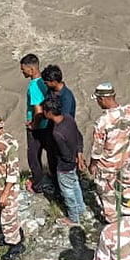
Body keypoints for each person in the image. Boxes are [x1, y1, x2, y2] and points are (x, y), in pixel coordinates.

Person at [87, 82, 130, 223]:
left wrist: (92, 165)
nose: (97, 102)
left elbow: (97, 149)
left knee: (107, 193)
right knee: (128, 187)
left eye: (97, 99)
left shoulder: (102, 122)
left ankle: (113, 222)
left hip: (107, 164)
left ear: (102, 99)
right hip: (125, 159)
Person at [0, 112, 26, 260]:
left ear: (2, 126)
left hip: (8, 188)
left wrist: (5, 193)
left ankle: (16, 245)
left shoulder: (10, 145)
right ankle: (11, 235)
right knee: (4, 214)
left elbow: (13, 173)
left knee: (8, 217)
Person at [43, 96, 86, 226]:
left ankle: (73, 218)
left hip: (64, 167)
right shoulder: (69, 118)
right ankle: (81, 208)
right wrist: (79, 156)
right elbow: (79, 136)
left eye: (45, 110)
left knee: (67, 192)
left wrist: (69, 160)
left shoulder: (57, 133)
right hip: (74, 163)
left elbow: (65, 154)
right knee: (75, 185)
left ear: (49, 113)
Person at [20, 53, 58, 194]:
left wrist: (33, 126)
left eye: (23, 69)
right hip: (48, 125)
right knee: (51, 153)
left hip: (38, 127)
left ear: (31, 69)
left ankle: (38, 184)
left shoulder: (34, 86)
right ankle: (55, 178)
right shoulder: (45, 81)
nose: (22, 72)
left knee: (34, 157)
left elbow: (38, 110)